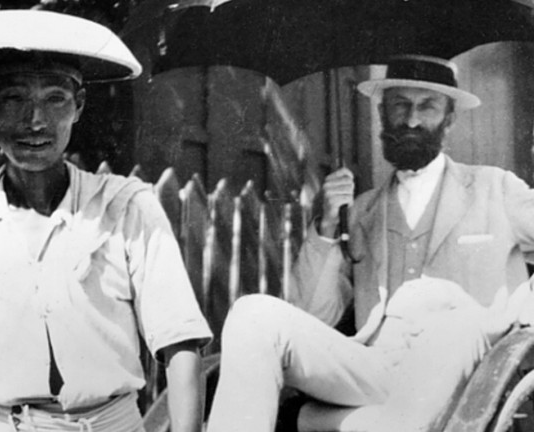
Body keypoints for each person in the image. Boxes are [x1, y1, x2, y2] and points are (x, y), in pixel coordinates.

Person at [206, 55, 534, 432]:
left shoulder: (495, 189)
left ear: (450, 118)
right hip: (374, 365)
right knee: (253, 315)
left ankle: (308, 419)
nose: (412, 120)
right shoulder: (361, 211)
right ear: (381, 113)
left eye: (427, 106)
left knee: (450, 327)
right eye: (400, 105)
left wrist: (525, 314)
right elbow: (314, 314)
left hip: (462, 363)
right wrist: (328, 225)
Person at [0, 10, 212, 432]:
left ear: (78, 106)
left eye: (55, 98)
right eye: (14, 98)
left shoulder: (125, 206)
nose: (36, 121)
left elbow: (180, 342)